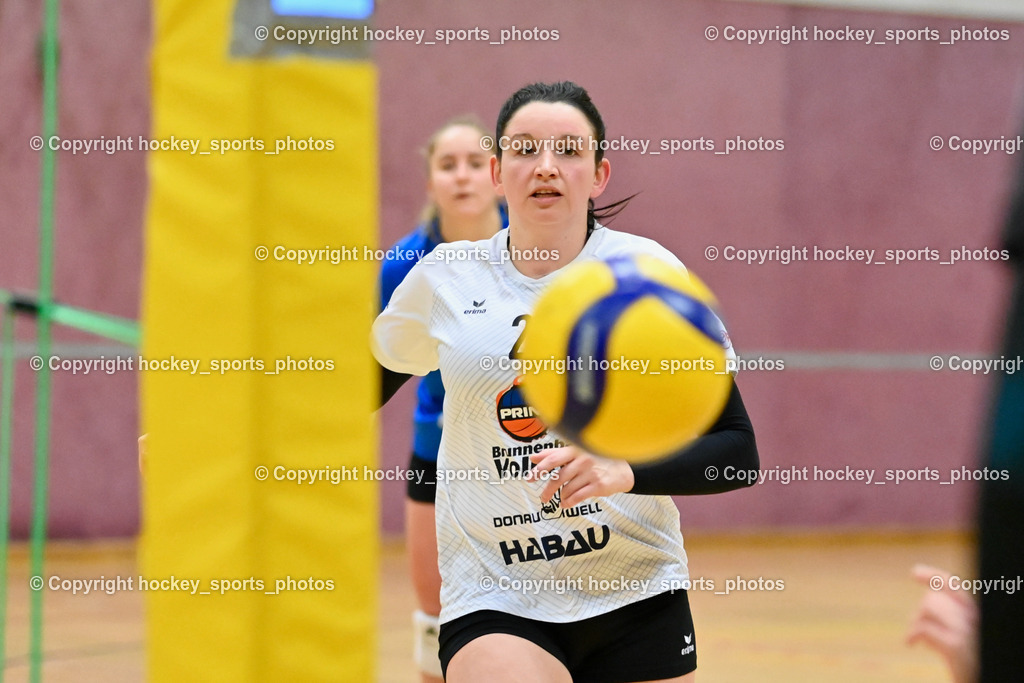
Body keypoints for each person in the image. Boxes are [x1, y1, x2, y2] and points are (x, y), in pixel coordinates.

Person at [373, 81, 759, 683]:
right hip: (496, 595)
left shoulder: (647, 277)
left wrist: (623, 469)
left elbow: (737, 454)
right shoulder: (445, 278)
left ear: (599, 173)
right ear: (498, 171)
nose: (545, 167)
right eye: (524, 150)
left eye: (568, 150)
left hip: (636, 591)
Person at [377, 116, 507, 683]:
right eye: (447, 165)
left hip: (522, 458)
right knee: (436, 623)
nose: (462, 177)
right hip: (439, 456)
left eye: (475, 163)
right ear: (430, 183)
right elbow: (378, 368)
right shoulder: (406, 264)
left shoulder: (536, 245)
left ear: (499, 176)